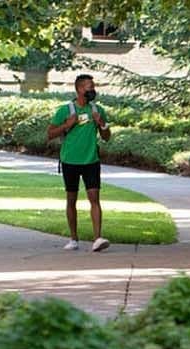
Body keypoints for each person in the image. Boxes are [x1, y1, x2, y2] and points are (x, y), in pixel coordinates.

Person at [47, 74, 112, 252]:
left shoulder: (97, 110)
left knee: (94, 198)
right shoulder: (65, 110)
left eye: (93, 86)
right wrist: (67, 125)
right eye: (89, 87)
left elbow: (107, 137)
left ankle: (98, 238)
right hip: (70, 160)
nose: (93, 90)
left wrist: (102, 124)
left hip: (91, 160)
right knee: (71, 199)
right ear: (80, 89)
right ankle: (73, 239)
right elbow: (50, 134)